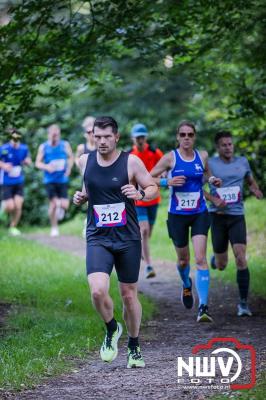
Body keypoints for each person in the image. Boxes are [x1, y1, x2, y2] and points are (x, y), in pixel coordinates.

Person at [73, 116, 158, 368]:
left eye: (106, 136)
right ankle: (112, 329)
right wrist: (81, 197)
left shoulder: (130, 161)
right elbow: (89, 189)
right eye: (97, 136)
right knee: (97, 291)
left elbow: (152, 186)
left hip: (128, 237)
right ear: (92, 136)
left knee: (129, 296)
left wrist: (140, 193)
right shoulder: (83, 161)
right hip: (98, 236)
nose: (101, 141)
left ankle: (134, 345)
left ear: (116, 137)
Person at [151, 121, 221, 322]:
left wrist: (212, 180)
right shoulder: (170, 158)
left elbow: (205, 175)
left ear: (195, 136)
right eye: (183, 134)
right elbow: (147, 177)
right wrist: (167, 182)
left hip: (199, 212)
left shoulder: (203, 156)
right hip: (177, 215)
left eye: (190, 134)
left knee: (200, 259)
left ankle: (203, 307)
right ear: (177, 137)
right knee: (183, 260)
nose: (187, 138)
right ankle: (186, 284)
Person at [205, 131, 263, 317]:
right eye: (224, 145)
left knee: (240, 257)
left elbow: (250, 181)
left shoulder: (242, 162)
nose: (228, 147)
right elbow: (197, 187)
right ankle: (216, 258)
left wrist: (255, 190)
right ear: (218, 147)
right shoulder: (211, 164)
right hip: (218, 217)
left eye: (230, 144)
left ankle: (243, 304)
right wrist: (213, 199)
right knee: (222, 264)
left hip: (237, 216)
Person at [130, 123, 163, 278]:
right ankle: (149, 266)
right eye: (137, 138)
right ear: (133, 139)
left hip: (154, 199)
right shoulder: (130, 156)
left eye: (142, 137)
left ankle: (142, 249)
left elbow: (165, 168)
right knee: (143, 231)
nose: (140, 140)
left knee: (147, 233)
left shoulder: (155, 152)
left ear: (146, 137)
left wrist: (163, 177)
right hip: (139, 201)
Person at [35, 124, 74, 237]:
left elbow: (71, 157)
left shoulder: (65, 145)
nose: (55, 137)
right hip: (49, 180)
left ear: (59, 134)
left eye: (56, 135)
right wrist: (46, 167)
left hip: (62, 179)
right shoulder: (43, 147)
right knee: (53, 204)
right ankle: (54, 227)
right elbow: (37, 163)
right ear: (49, 134)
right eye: (53, 135)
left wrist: (69, 168)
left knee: (65, 205)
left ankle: (60, 209)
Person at [0, 129, 31, 235]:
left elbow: (28, 160)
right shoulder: (4, 149)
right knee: (10, 206)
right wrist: (3, 165)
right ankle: (4, 207)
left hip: (19, 180)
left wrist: (27, 162)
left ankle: (13, 226)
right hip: (7, 181)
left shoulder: (24, 148)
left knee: (18, 205)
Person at [75, 116, 96, 237]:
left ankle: (91, 222)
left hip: (100, 176)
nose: (91, 134)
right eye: (88, 132)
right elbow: (76, 159)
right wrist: (80, 167)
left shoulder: (100, 146)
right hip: (87, 177)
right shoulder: (82, 147)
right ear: (85, 134)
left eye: (93, 131)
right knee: (88, 199)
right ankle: (89, 223)